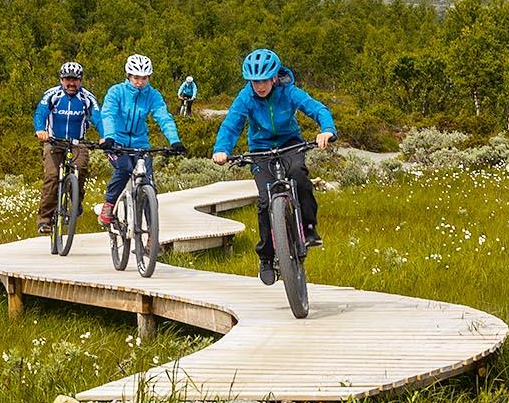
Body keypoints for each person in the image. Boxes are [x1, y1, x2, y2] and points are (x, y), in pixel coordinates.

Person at [211, 48, 336, 283]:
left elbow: (316, 108)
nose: (259, 86)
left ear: (274, 77)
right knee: (264, 201)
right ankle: (266, 257)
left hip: (290, 144)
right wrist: (222, 149)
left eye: (263, 80)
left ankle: (309, 229)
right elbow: (231, 125)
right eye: (254, 81)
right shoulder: (245, 97)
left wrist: (326, 130)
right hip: (260, 150)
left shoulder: (288, 91)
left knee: (299, 177)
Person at [95, 54, 185, 225]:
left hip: (140, 143)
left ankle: (152, 235)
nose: (139, 82)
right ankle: (109, 203)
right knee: (124, 169)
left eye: (144, 78)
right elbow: (108, 115)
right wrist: (109, 137)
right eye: (136, 77)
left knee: (148, 185)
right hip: (117, 142)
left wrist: (174, 140)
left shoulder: (153, 95)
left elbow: (163, 117)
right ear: (128, 76)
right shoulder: (116, 92)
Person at [32, 61, 100, 234]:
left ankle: (76, 199)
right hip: (54, 141)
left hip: (78, 142)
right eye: (67, 79)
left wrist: (104, 135)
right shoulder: (52, 95)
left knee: (81, 169)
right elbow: (40, 113)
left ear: (81, 80)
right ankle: (45, 219)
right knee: (52, 176)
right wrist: (40, 130)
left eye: (75, 80)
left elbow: (97, 118)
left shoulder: (87, 98)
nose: (71, 83)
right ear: (61, 80)